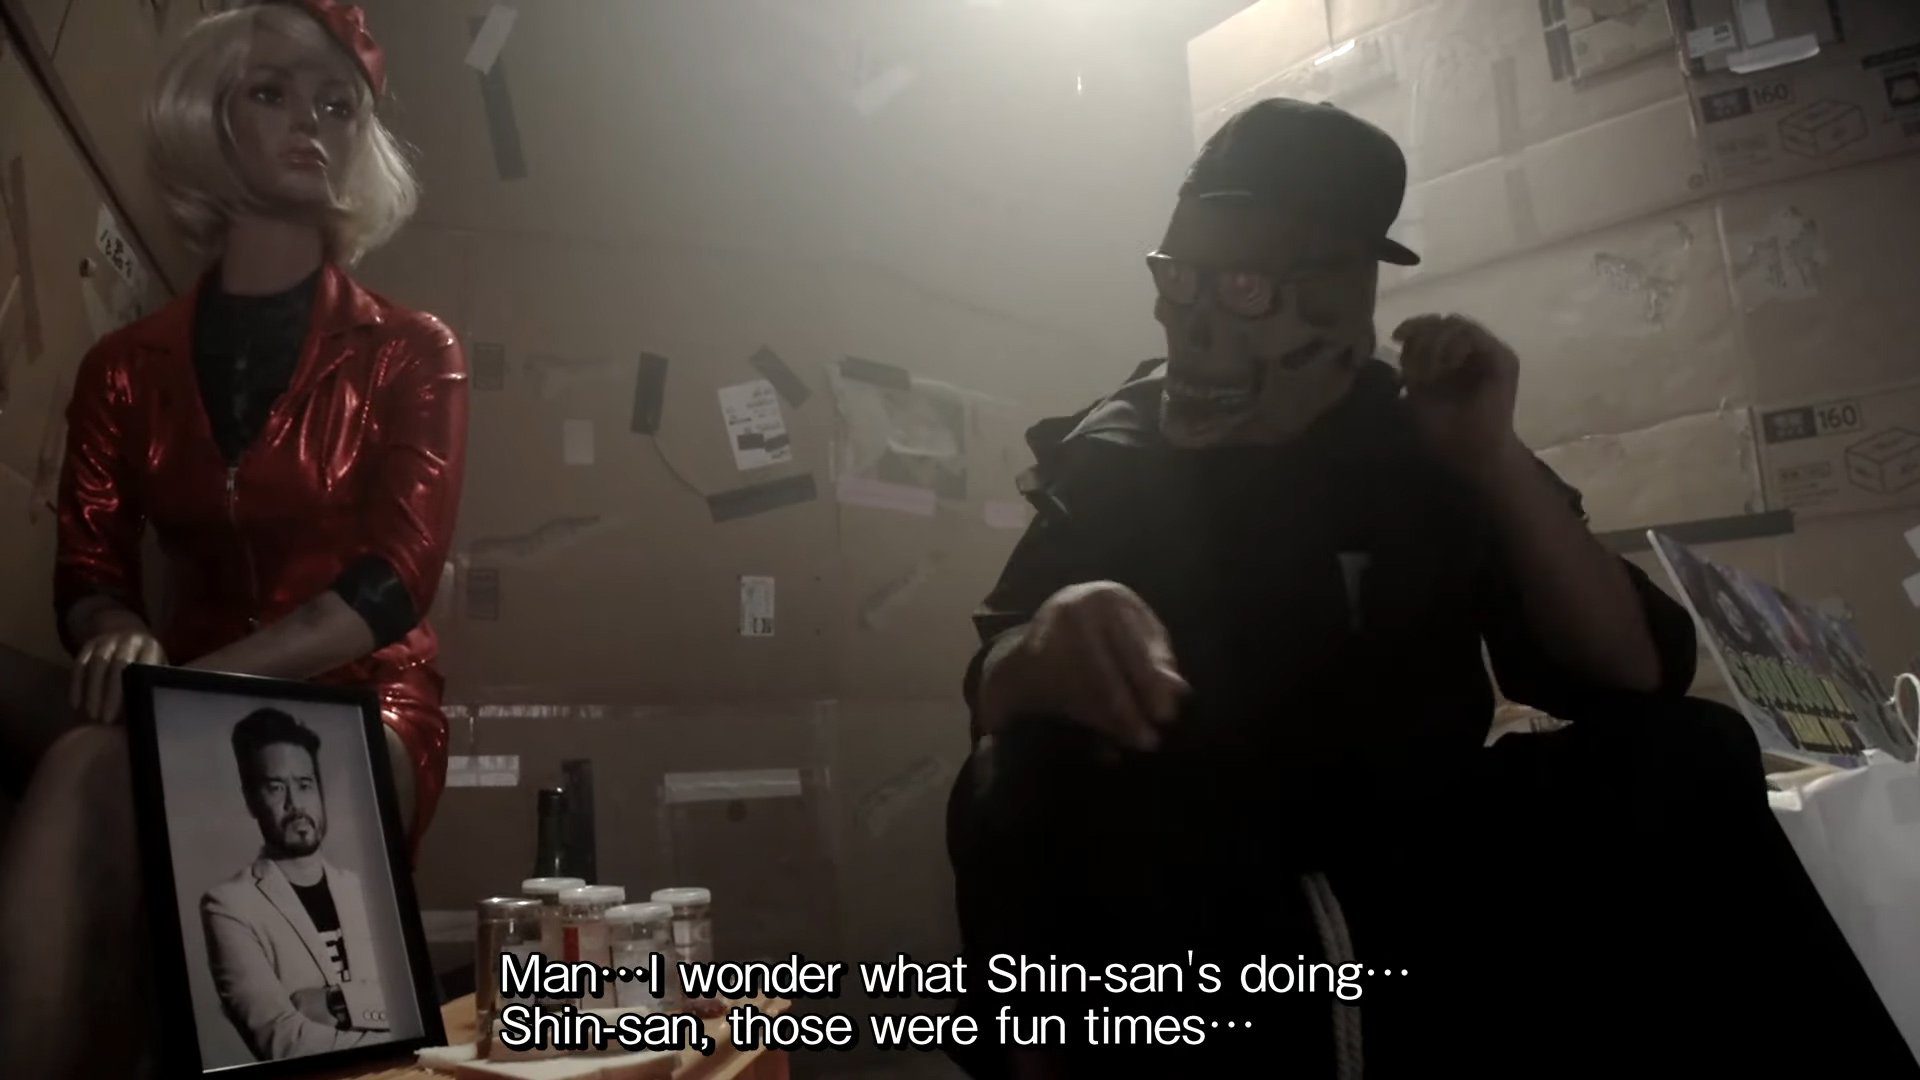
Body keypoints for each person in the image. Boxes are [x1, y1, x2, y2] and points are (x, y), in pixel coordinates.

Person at [944, 98, 1915, 1078]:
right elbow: (998, 679)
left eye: (1239, 287)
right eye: (1174, 275)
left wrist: (1491, 461)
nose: (1188, 322)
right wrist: (1047, 642)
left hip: (1421, 855)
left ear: (1344, 296)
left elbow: (1631, 674)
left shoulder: (1414, 434)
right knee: (1008, 785)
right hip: (1209, 887)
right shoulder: (1116, 452)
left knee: (1692, 755)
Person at [0, 3, 462, 1076]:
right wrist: (113, 627)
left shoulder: (410, 350)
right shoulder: (124, 367)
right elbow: (90, 563)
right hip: (177, 694)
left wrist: (186, 687)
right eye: (272, 93)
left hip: (361, 702)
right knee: (79, 762)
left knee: (115, 768)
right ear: (211, 116)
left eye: (338, 106)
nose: (312, 122)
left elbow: (394, 582)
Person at [204, 708, 391, 1061]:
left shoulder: (364, 890)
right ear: (251, 799)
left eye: (305, 785)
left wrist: (339, 1002)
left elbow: (412, 1002)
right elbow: (282, 1042)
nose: (295, 805)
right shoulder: (228, 906)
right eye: (276, 788)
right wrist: (390, 1031)